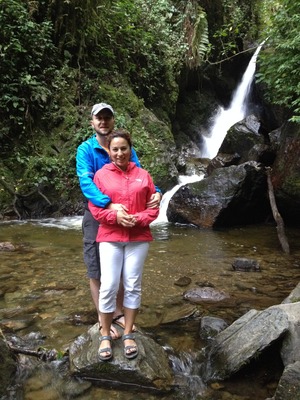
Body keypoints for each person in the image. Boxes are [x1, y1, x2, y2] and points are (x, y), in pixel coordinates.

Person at [76, 103, 161, 339]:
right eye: (98, 118)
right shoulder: (85, 150)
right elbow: (86, 183)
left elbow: (140, 175)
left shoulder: (124, 148)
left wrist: (158, 192)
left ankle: (120, 312)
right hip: (98, 211)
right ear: (92, 122)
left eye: (107, 118)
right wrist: (108, 205)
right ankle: (104, 317)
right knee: (96, 267)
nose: (103, 122)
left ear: (113, 121)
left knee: (123, 269)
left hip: (129, 212)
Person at [88, 130, 159, 360]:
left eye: (124, 148)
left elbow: (153, 207)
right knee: (108, 285)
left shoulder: (143, 175)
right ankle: (105, 334)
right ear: (110, 151)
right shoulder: (101, 176)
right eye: (115, 149)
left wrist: (138, 219)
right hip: (110, 236)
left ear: (130, 150)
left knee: (132, 284)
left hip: (138, 238)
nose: (120, 153)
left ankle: (128, 333)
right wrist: (115, 217)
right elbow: (96, 209)